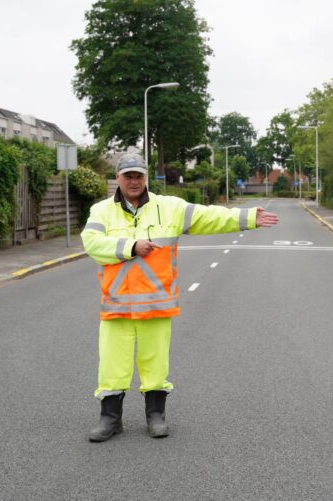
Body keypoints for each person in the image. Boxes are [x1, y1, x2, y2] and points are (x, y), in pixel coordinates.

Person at [81, 153, 278, 442]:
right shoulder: (101, 211)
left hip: (157, 304)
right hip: (116, 304)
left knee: (155, 364)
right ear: (118, 179)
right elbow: (91, 242)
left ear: (146, 177)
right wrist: (131, 247)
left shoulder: (169, 207)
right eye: (128, 176)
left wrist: (248, 217)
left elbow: (208, 216)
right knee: (111, 365)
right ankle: (110, 418)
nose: (134, 181)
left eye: (138, 176)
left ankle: (156, 416)